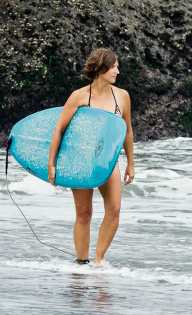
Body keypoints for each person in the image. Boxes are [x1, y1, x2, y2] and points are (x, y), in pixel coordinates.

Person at [47, 48, 135, 265]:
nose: (117, 71)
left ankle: (98, 260)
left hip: (107, 160)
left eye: (116, 66)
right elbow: (59, 129)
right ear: (99, 68)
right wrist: (51, 163)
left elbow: (128, 130)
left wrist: (130, 163)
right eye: (113, 66)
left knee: (114, 210)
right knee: (84, 215)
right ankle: (82, 263)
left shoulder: (122, 96)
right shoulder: (79, 96)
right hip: (81, 161)